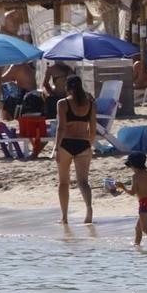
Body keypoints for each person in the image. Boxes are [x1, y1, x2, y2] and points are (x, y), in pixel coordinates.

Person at [54, 76, 99, 225]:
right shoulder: (90, 104)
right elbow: (93, 128)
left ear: (67, 87)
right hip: (83, 144)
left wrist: (56, 148)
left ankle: (65, 217)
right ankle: (89, 208)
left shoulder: (63, 103)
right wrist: (90, 145)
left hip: (66, 144)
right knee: (83, 182)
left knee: (63, 182)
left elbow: (61, 128)